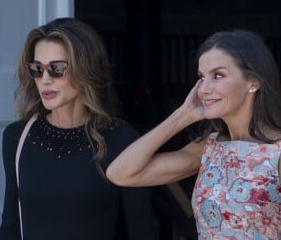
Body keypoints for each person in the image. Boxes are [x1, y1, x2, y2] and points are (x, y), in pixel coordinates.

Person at [107, 29, 281, 239]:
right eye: (201, 78)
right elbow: (120, 173)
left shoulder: (276, 152)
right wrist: (183, 115)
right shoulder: (208, 149)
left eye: (217, 76)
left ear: (253, 82)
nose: (204, 88)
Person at [0, 17, 159, 240]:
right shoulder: (17, 137)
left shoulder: (119, 138)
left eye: (56, 69)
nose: (45, 79)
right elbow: (10, 228)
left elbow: (141, 231)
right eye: (36, 69)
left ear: (85, 68)